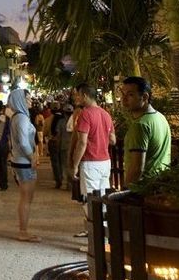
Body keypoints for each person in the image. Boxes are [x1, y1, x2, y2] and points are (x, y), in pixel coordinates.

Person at [69, 83, 115, 237]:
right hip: (105, 162)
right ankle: (103, 234)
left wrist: (74, 165)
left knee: (89, 201)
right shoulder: (106, 114)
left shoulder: (86, 114)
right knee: (102, 199)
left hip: (90, 162)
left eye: (78, 95)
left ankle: (96, 239)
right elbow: (113, 140)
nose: (76, 98)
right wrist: (100, 139)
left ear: (85, 96)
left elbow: (82, 142)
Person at [118, 76, 171, 188]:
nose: (124, 99)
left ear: (145, 96)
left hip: (142, 190)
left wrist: (126, 191)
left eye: (130, 94)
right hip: (160, 186)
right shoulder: (160, 118)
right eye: (123, 94)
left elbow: (137, 168)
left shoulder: (140, 125)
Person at [7, 89, 40, 242]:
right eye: (27, 98)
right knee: (26, 197)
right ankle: (23, 231)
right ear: (20, 100)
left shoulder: (18, 117)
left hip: (21, 161)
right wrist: (32, 156)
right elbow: (23, 141)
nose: (30, 100)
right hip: (24, 162)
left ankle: (23, 230)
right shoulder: (21, 118)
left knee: (26, 197)